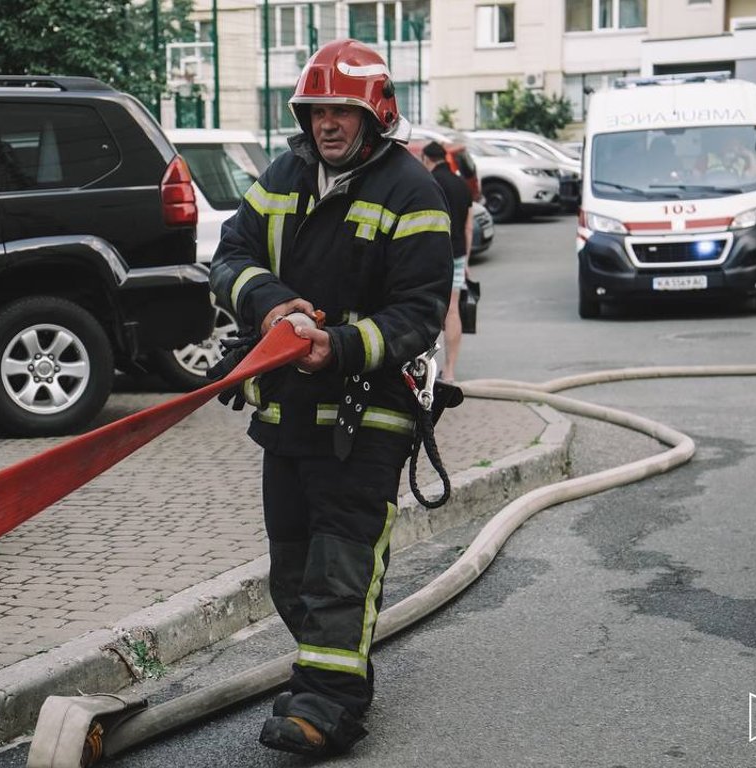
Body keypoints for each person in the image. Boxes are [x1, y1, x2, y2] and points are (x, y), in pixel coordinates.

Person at [209, 39, 452, 756]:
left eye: (342, 111)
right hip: (285, 412)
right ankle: (326, 678)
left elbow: (419, 312)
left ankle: (328, 704)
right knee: (291, 569)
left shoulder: (412, 191)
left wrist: (338, 346)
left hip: (364, 415)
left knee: (339, 566)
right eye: (316, 111)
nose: (327, 125)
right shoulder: (283, 175)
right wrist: (275, 307)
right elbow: (229, 257)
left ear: (375, 115)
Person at [421, 141, 473, 380]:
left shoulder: (428, 183)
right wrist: (467, 259)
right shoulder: (461, 183)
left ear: (426, 159)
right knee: (453, 311)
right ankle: (450, 371)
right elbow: (468, 226)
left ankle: (423, 370)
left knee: (424, 311)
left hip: (432, 257)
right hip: (458, 253)